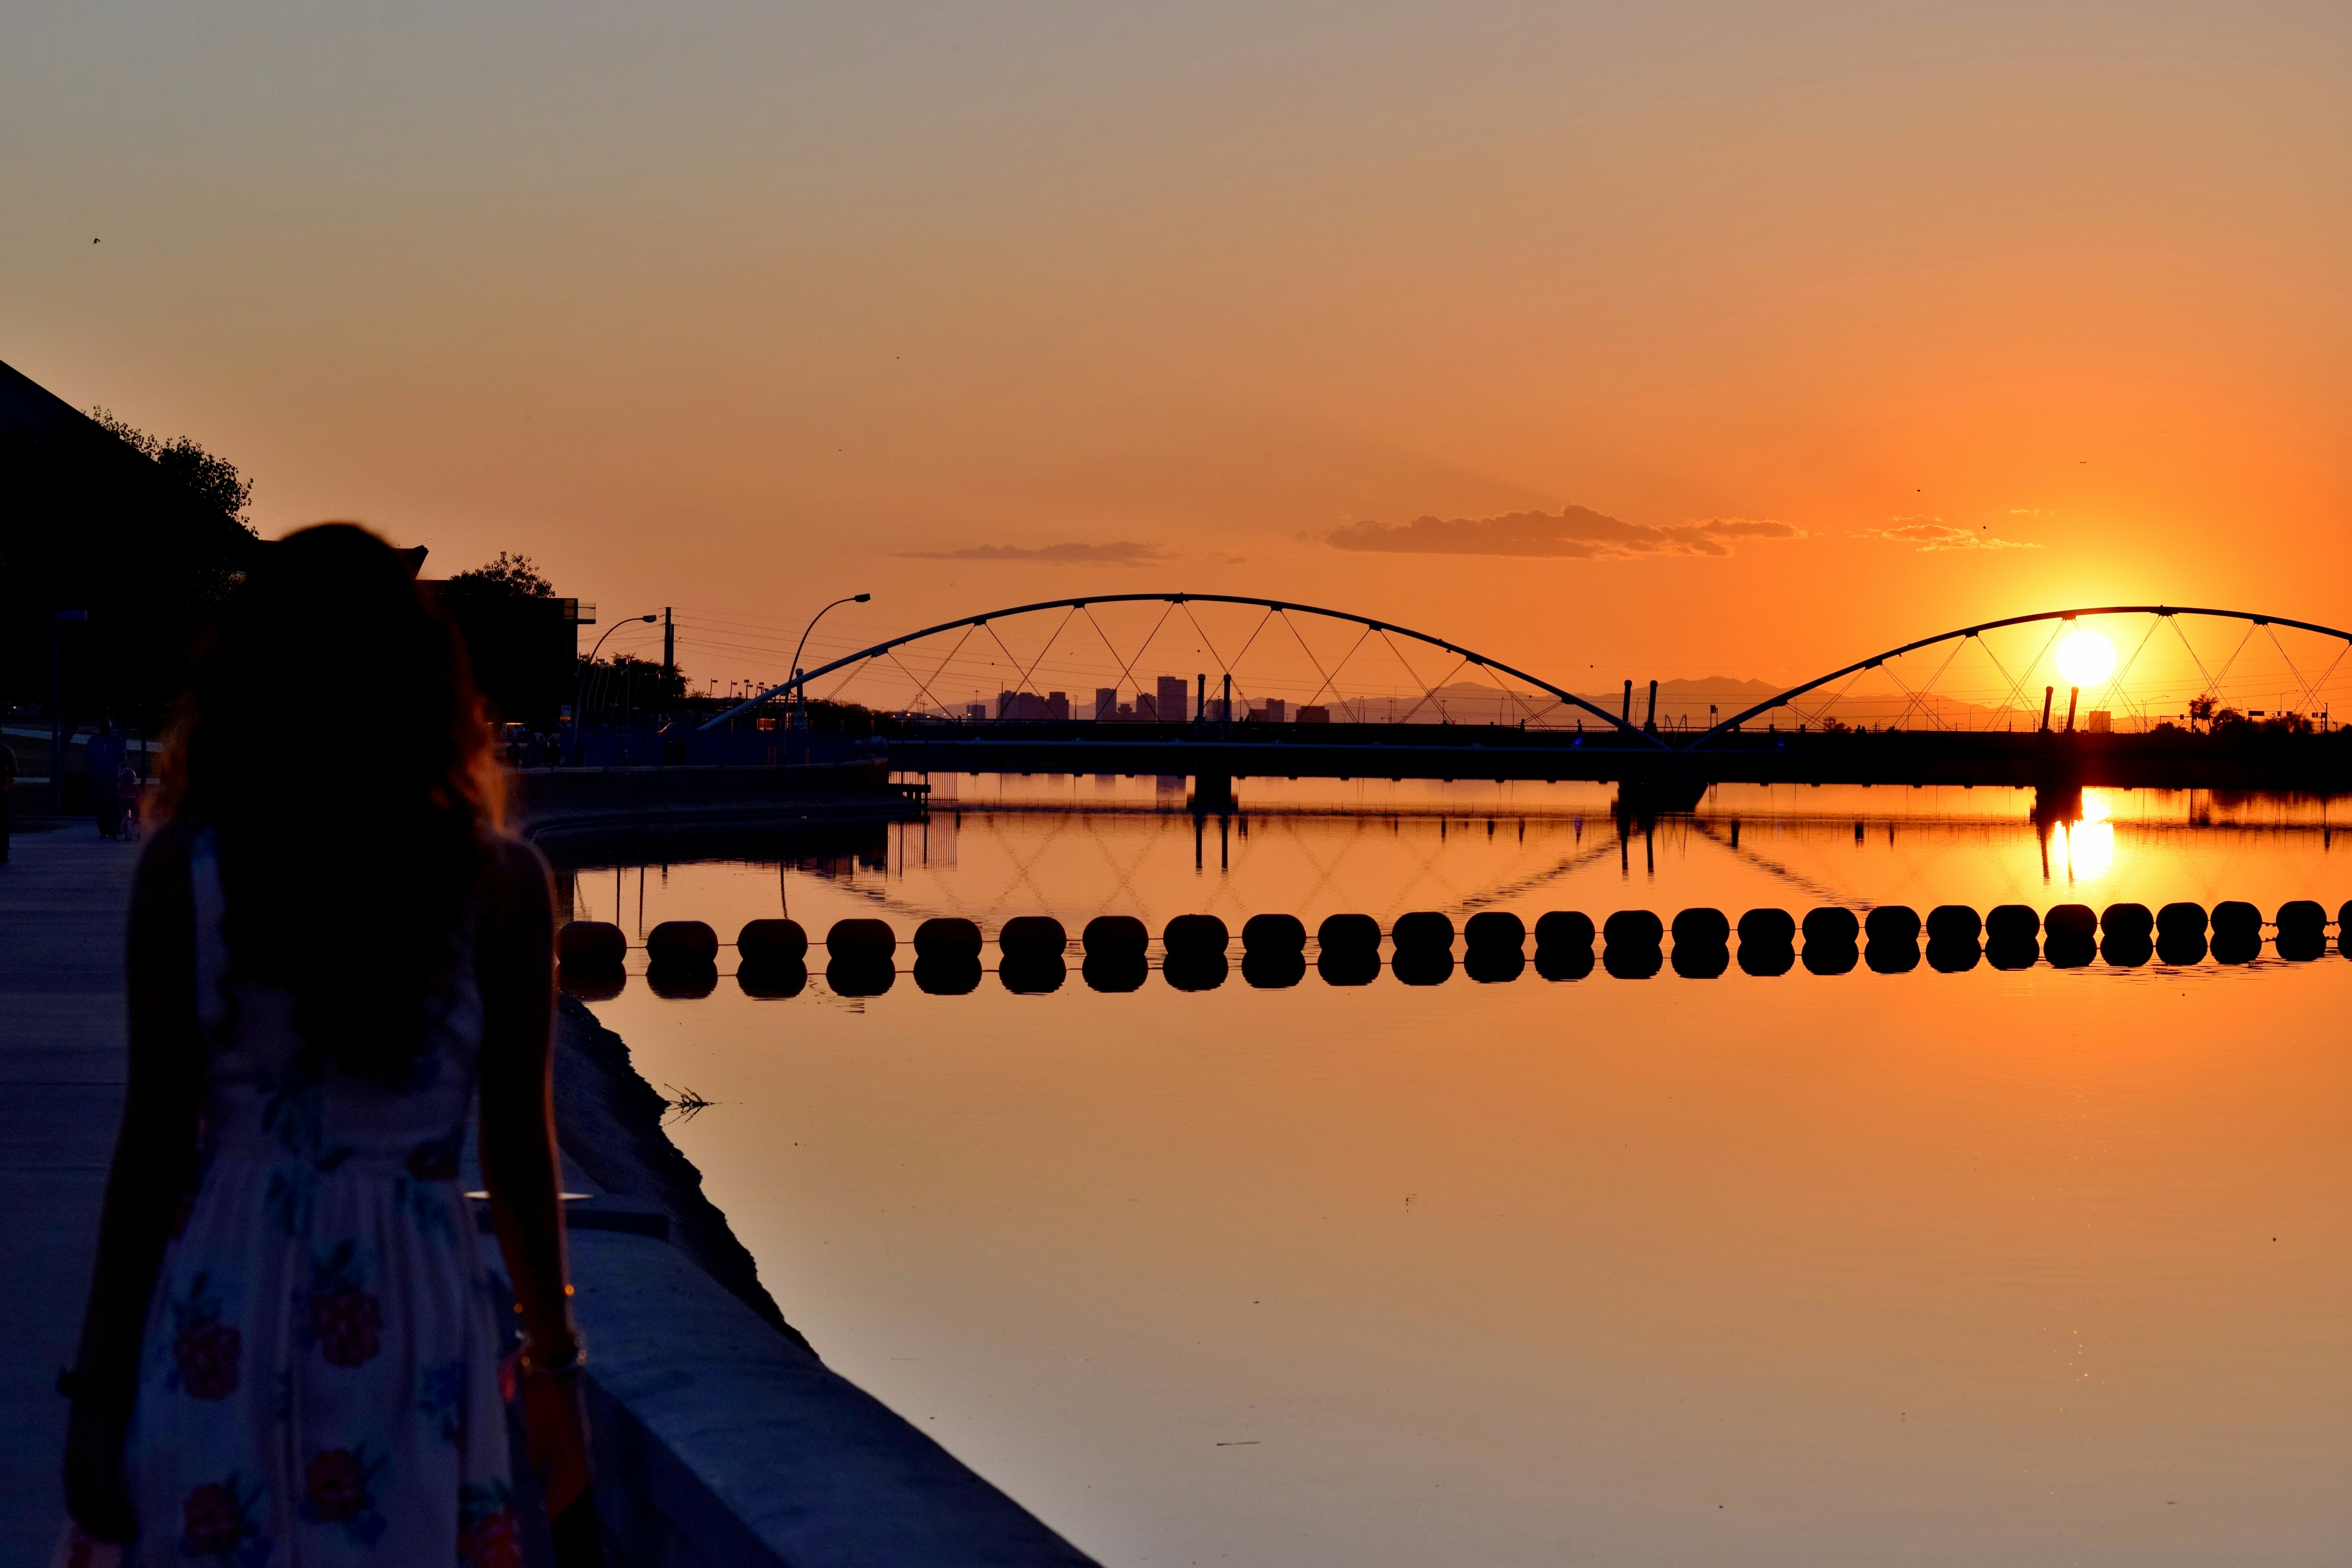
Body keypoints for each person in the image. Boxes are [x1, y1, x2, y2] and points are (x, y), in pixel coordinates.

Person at [58, 524, 593, 1564]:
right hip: (414, 1299)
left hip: (229, 1277)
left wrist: (98, 1388)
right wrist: (552, 1364)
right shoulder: (501, 888)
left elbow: (154, 1142)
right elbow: (520, 1155)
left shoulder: (188, 874)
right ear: (429, 681)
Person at [88, 719, 127, 839]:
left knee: (112, 802)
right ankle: (103, 829)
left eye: (107, 727)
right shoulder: (94, 740)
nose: (106, 729)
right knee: (100, 803)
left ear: (111, 728)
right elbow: (88, 758)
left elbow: (123, 758)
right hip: (98, 776)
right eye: (104, 727)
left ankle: (113, 827)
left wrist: (121, 771)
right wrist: (90, 773)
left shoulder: (117, 740)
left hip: (112, 777)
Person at [0, 735, 16, 863]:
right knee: (3, 822)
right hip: (2, 790)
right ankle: (3, 852)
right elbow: (15, 771)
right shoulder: (6, 750)